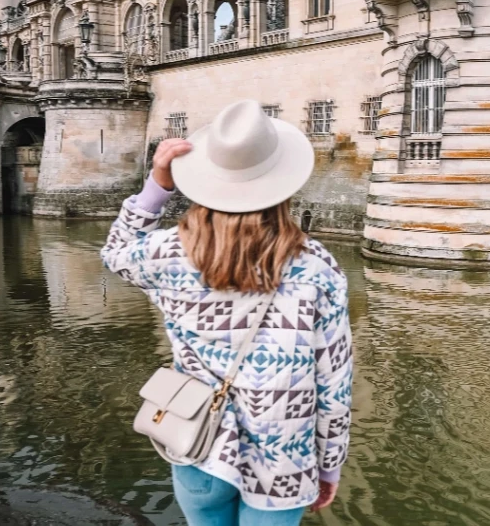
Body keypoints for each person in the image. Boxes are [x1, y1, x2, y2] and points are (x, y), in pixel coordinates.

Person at [102, 98, 352, 525]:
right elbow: (334, 384)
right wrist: (329, 464)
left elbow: (116, 253)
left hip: (198, 441)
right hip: (283, 460)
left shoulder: (168, 254)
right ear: (283, 184)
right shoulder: (316, 267)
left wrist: (157, 184)